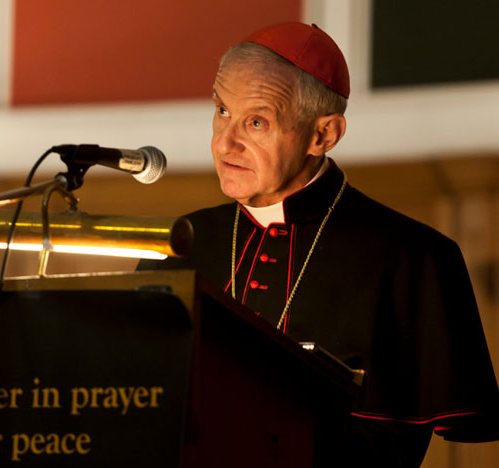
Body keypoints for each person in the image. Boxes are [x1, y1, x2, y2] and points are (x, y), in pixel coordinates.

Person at [138, 22, 499, 466]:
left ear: (323, 135)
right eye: (221, 110)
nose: (225, 141)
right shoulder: (178, 245)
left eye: (256, 121)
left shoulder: (414, 258)